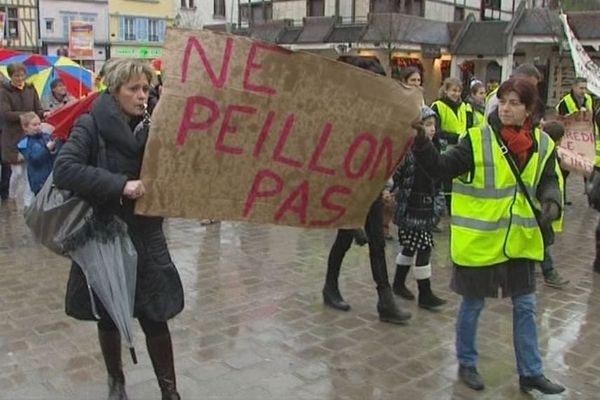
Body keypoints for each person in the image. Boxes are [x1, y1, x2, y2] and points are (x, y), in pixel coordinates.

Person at [412, 78, 565, 395]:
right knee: (473, 305)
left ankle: (531, 372)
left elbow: (549, 179)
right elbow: (441, 168)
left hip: (520, 241)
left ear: (529, 108)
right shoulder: (477, 139)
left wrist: (551, 203)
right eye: (503, 102)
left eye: (514, 103)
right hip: (481, 241)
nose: (506, 108)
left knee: (526, 307)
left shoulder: (543, 143)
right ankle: (467, 363)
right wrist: (421, 143)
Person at [53, 59, 184, 400]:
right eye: (134, 89)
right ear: (114, 90)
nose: (142, 96)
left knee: (155, 316)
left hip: (146, 233)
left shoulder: (156, 123)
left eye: (146, 88)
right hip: (105, 236)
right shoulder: (90, 124)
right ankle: (117, 383)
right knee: (110, 314)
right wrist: (120, 185)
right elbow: (65, 170)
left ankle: (169, 392)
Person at [322, 55, 411, 325]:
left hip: (370, 185)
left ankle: (384, 299)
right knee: (346, 238)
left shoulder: (378, 109)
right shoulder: (345, 108)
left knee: (375, 240)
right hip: (348, 186)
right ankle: (332, 287)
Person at [391, 106, 446, 310]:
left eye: (434, 125)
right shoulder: (409, 150)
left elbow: (438, 178)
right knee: (424, 247)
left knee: (410, 246)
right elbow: (396, 174)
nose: (432, 129)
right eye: (427, 124)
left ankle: (398, 283)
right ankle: (425, 293)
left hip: (426, 206)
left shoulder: (436, 148)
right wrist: (391, 189)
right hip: (411, 207)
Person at [0, 63, 44, 204]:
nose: (19, 78)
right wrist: (25, 115)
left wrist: (43, 114)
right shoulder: (4, 91)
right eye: (16, 75)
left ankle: (26, 202)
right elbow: (6, 114)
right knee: (17, 172)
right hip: (13, 136)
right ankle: (11, 196)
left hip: (30, 135)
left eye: (21, 75)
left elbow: (38, 108)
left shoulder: (31, 89)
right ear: (11, 76)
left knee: (27, 172)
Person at [538, 120, 569, 288]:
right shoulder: (544, 151)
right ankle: (549, 272)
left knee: (543, 241)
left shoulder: (550, 152)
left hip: (547, 204)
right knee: (543, 242)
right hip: (539, 206)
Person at [431, 77, 468, 211]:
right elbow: (436, 130)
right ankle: (446, 206)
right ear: (445, 91)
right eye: (453, 90)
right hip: (445, 147)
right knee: (446, 179)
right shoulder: (438, 106)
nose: (456, 94)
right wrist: (455, 137)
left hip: (461, 146)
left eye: (458, 91)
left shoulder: (464, 106)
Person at [16, 112, 55, 204]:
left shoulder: (46, 136)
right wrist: (47, 148)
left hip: (51, 177)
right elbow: (34, 159)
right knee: (42, 204)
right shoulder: (24, 143)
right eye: (34, 125)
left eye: (39, 124)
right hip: (39, 181)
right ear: (25, 127)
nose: (38, 127)